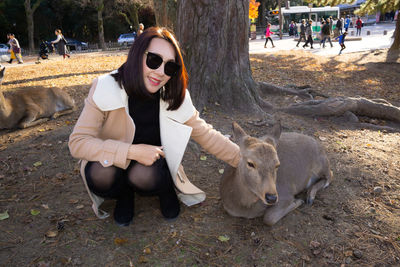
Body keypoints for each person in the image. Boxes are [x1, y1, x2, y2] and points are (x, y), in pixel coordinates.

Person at [68, 27, 240, 226]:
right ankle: (124, 195)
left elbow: (206, 134)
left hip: (153, 165)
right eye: (154, 60)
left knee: (145, 174)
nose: (160, 73)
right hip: (114, 161)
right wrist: (132, 151)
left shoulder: (174, 96)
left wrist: (243, 160)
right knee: (100, 174)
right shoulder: (105, 87)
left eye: (170, 67)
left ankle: (166, 188)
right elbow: (78, 143)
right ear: (137, 55)